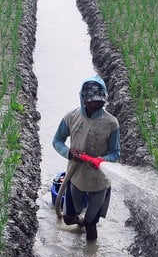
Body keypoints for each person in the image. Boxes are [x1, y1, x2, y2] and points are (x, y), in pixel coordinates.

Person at [52, 75, 121, 241]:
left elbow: (115, 153)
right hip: (76, 177)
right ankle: (78, 223)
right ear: (83, 99)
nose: (96, 105)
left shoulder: (111, 123)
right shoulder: (72, 117)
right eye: (92, 102)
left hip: (99, 181)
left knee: (91, 224)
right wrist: (69, 153)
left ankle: (91, 255)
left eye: (100, 102)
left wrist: (101, 160)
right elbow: (57, 141)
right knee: (68, 219)